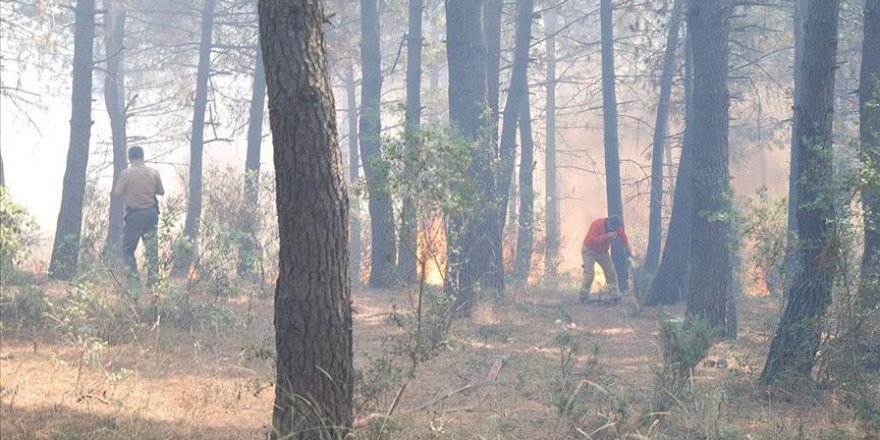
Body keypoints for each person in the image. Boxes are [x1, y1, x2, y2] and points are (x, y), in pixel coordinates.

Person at [114, 146, 164, 286]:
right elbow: (161, 191)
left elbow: (117, 193)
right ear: (142, 156)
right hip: (152, 214)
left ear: (129, 157)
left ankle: (133, 281)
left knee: (128, 249)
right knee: (152, 249)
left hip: (134, 215)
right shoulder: (154, 172)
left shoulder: (125, 174)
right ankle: (153, 282)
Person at [580, 214, 631, 303]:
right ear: (610, 224)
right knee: (590, 275)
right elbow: (592, 240)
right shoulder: (596, 224)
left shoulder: (616, 228)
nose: (616, 230)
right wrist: (607, 236)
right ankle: (583, 296)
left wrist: (627, 247)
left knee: (611, 273)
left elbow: (622, 235)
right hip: (589, 251)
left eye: (616, 229)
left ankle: (615, 295)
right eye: (614, 228)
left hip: (603, 252)